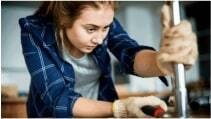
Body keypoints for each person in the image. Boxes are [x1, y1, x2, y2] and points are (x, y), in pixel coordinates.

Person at [19, 1, 198, 118]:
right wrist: (118, 108)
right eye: (90, 29)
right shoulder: (34, 30)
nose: (99, 39)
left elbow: (129, 53)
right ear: (64, 19)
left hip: (100, 113)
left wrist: (160, 61)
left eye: (105, 28)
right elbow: (58, 97)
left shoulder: (103, 22)